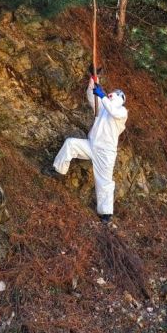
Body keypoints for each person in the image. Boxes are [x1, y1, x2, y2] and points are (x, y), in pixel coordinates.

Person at [52, 74, 128, 223]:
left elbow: (113, 110)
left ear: (120, 99)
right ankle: (58, 170)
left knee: (104, 182)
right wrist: (93, 79)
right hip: (91, 145)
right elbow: (91, 96)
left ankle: (106, 213)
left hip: (105, 153)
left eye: (115, 94)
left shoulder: (122, 113)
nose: (112, 94)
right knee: (71, 144)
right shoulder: (103, 108)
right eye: (112, 93)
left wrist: (102, 95)